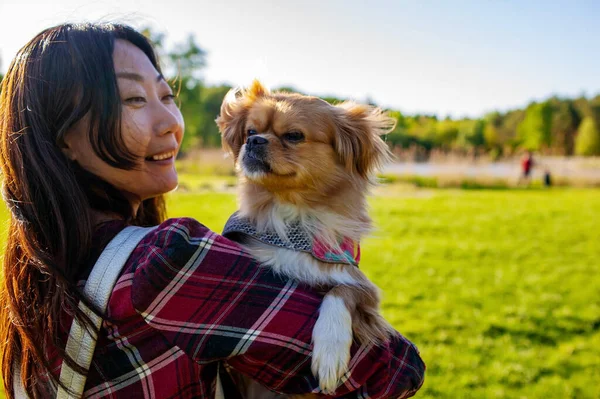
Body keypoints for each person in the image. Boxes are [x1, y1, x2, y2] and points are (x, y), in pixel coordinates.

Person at [0, 23, 425, 398]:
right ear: (63, 139)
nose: (169, 120)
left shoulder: (37, 264)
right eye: (132, 99)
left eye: (166, 95)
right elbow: (392, 373)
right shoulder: (169, 261)